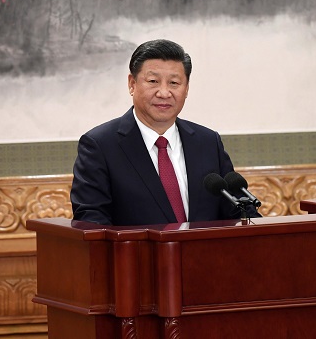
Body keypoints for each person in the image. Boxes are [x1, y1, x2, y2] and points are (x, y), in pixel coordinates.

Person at [70, 39, 261, 226]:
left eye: (174, 83)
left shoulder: (208, 142)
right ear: (132, 84)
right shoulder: (100, 146)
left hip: (205, 256)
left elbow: (238, 212)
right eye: (153, 81)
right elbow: (92, 223)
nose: (164, 92)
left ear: (186, 88)